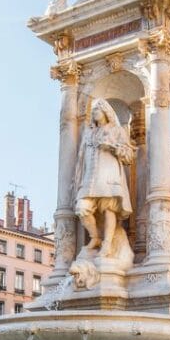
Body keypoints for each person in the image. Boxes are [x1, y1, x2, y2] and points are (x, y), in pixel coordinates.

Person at [74, 99, 135, 258]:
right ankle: (95, 237)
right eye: (93, 110)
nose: (94, 113)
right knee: (82, 208)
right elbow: (81, 158)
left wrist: (112, 147)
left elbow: (129, 156)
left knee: (109, 210)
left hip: (109, 176)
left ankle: (107, 244)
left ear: (106, 112)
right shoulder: (89, 132)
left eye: (97, 110)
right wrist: (78, 178)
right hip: (90, 179)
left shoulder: (117, 130)